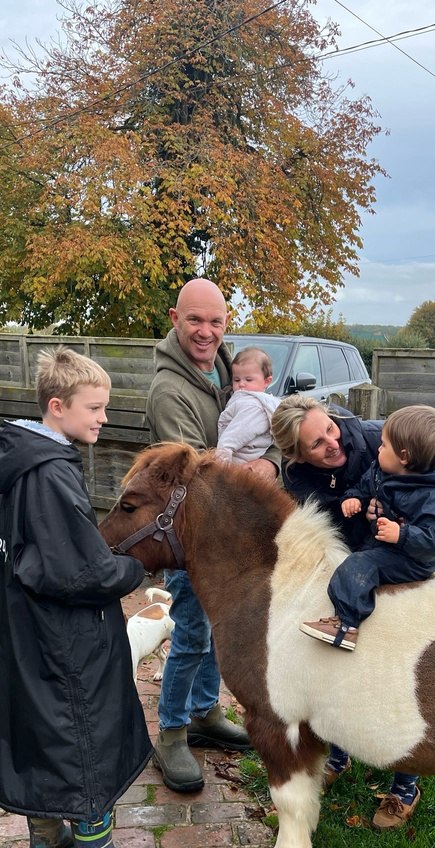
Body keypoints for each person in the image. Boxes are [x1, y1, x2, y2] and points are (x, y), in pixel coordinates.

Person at [270, 395, 435, 828]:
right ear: (296, 456)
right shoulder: (300, 483)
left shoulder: (385, 436)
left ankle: (405, 782)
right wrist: (362, 514)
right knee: (343, 665)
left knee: (406, 672)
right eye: (316, 444)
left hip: (430, 562)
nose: (332, 443)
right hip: (366, 569)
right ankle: (339, 752)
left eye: (330, 429)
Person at [0, 347, 153, 848]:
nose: (103, 418)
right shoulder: (51, 473)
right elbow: (77, 572)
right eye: (94, 408)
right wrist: (134, 569)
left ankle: (46, 838)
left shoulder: (24, 463)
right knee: (83, 729)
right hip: (62, 637)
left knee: (40, 726)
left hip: (23, 630)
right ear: (58, 406)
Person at [146, 279, 281, 793]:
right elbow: (194, 475)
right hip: (190, 537)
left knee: (212, 630)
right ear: (175, 319)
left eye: (215, 321)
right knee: (189, 634)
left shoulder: (230, 370)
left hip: (226, 533)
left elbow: (268, 433)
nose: (206, 331)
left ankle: (204, 712)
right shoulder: (170, 391)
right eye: (195, 320)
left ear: (226, 323)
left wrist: (270, 464)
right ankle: (171, 734)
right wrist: (253, 475)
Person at [300, 405, 435, 652]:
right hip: (383, 545)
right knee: (352, 561)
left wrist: (401, 534)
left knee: (357, 565)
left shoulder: (431, 494)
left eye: (384, 445)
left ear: (403, 457)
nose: (379, 448)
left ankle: (345, 626)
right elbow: (364, 487)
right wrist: (353, 499)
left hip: (411, 559)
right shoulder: (381, 471)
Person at [215, 346, 282, 465]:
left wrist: (221, 457)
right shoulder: (250, 401)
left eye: (248, 380)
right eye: (236, 380)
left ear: (267, 381)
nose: (241, 384)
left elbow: (235, 436)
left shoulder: (254, 407)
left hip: (238, 461)